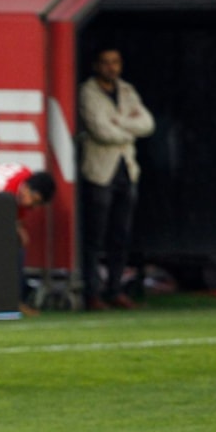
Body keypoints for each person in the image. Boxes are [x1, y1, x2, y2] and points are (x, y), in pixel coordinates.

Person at [78, 46, 154, 311]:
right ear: (96, 65)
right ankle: (92, 292)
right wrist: (128, 126)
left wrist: (117, 122)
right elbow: (100, 130)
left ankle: (115, 289)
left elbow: (147, 123)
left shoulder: (126, 90)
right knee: (94, 238)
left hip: (127, 170)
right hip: (99, 171)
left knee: (120, 236)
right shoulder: (88, 91)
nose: (112, 67)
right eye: (106, 62)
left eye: (116, 62)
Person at [0, 162, 56, 315]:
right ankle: (10, 300)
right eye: (34, 199)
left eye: (37, 203)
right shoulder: (6, 195)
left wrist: (17, 227)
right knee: (11, 248)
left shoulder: (23, 174)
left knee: (14, 243)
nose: (31, 205)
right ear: (26, 187)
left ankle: (12, 297)